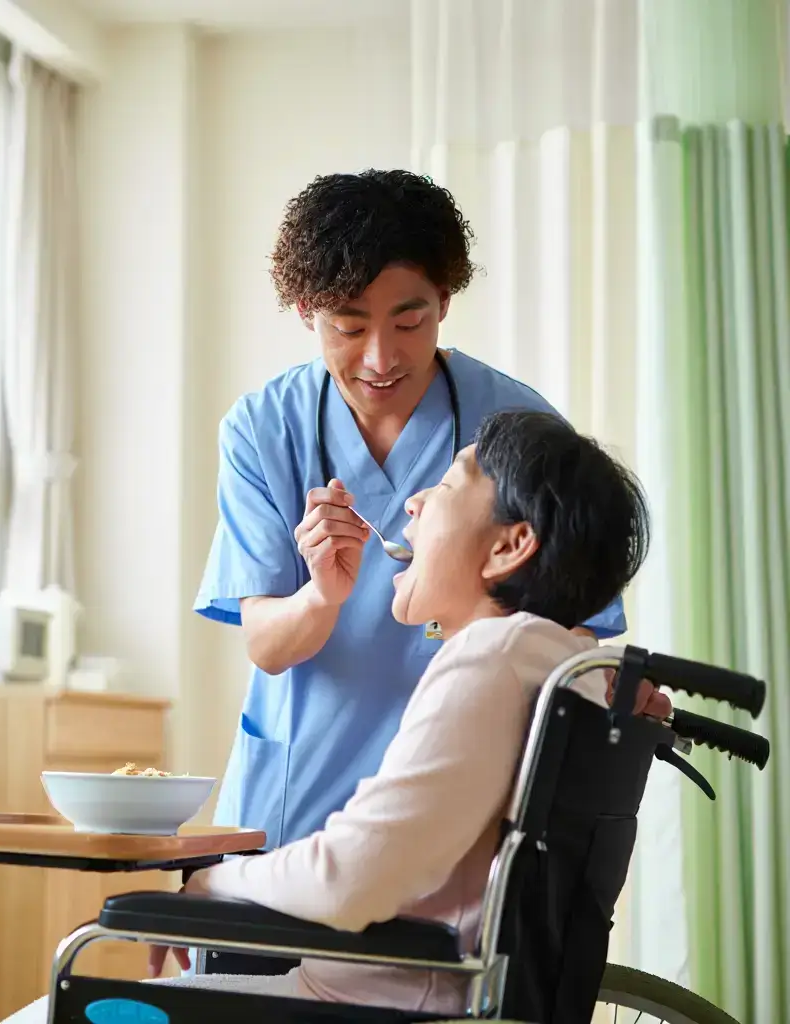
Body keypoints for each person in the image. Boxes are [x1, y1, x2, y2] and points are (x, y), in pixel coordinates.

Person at [193, 169, 628, 974]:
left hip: (451, 803)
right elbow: (266, 643)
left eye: (409, 319)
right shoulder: (265, 428)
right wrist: (324, 592)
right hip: (299, 785)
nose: (381, 356)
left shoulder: (514, 434)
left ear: (445, 303)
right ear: (305, 313)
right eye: (347, 326)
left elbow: (571, 632)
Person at [143, 409, 665, 1014]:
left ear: (509, 545)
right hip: (416, 994)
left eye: (445, 487)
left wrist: (210, 884)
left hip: (364, 1005)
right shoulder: (569, 666)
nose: (413, 503)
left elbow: (348, 878)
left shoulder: (490, 656)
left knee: (62, 995)